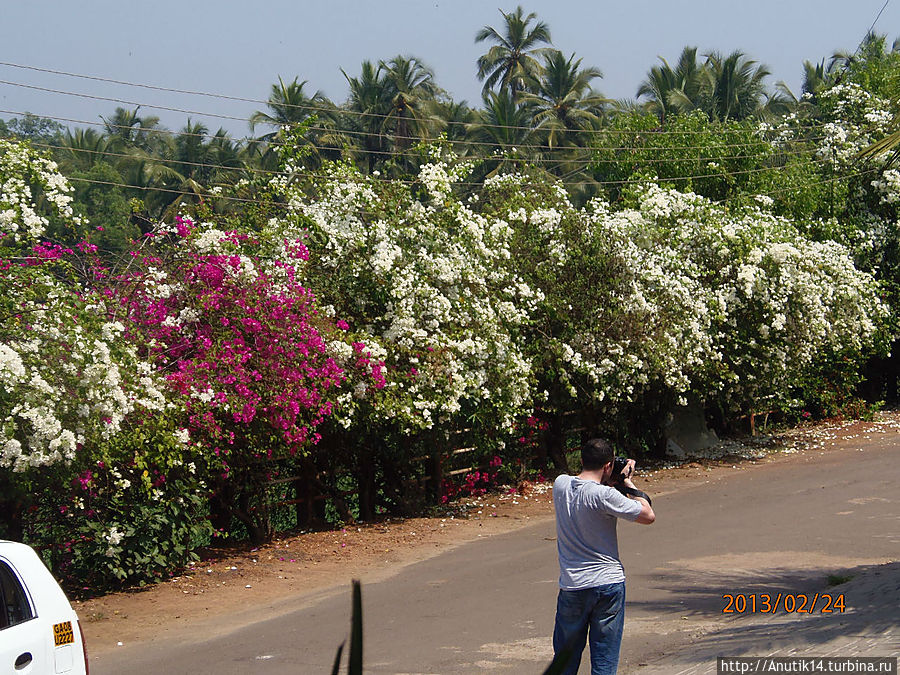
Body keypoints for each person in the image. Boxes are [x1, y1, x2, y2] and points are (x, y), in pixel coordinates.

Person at [552, 438, 656, 675]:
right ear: (608, 466)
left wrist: (612, 480)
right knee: (604, 659)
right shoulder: (605, 496)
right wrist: (627, 481)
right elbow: (648, 514)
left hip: (572, 586)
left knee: (564, 660)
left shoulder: (560, 485)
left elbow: (583, 484)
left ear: (581, 460)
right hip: (607, 584)